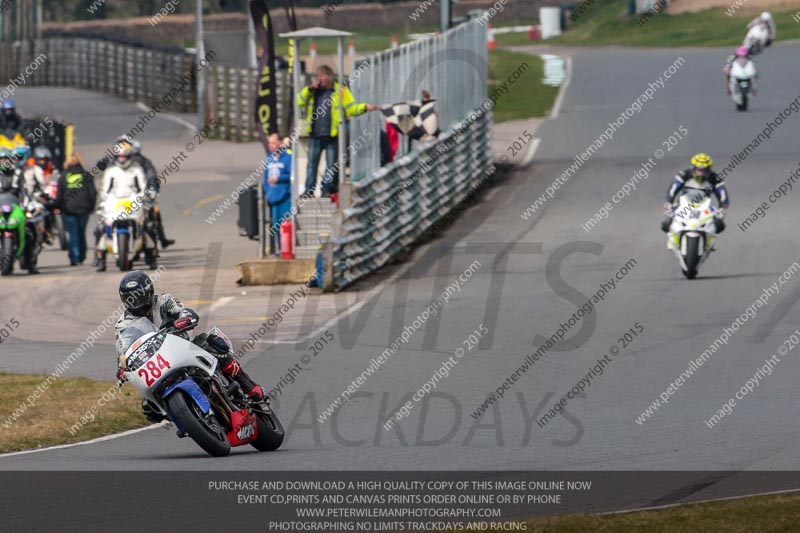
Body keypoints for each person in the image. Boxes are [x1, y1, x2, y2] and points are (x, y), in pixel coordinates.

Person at [114, 271, 266, 423]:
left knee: (212, 343)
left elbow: (185, 311)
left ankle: (249, 386)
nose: (136, 302)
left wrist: (184, 319)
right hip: (155, 364)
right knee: (149, 408)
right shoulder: (122, 324)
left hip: (182, 349)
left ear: (149, 291)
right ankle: (186, 418)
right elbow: (123, 351)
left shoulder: (164, 301)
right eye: (130, 298)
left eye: (139, 296)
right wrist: (122, 368)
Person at [297, 65, 377, 197]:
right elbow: (300, 101)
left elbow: (351, 109)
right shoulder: (313, 91)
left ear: (329, 77)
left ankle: (326, 190)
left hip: (332, 135)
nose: (319, 79)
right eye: (318, 76)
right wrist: (309, 89)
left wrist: (364, 107)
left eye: (322, 76)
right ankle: (309, 190)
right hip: (315, 135)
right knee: (311, 165)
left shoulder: (341, 91)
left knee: (331, 166)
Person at [97, 135, 174, 249]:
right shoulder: (112, 161)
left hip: (138, 195)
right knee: (102, 224)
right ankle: (99, 255)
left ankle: (154, 247)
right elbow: (102, 170)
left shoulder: (140, 162)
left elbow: (151, 174)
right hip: (117, 198)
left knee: (151, 219)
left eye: (126, 145)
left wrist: (152, 188)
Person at [96, 141, 154, 272]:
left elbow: (143, 187)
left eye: (124, 156)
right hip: (115, 201)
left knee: (148, 226)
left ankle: (152, 256)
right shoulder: (111, 171)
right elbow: (104, 189)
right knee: (100, 228)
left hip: (132, 200)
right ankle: (100, 259)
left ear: (129, 156)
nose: (122, 159)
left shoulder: (137, 170)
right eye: (119, 156)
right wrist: (104, 201)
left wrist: (143, 198)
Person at [661, 153, 729, 236]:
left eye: (703, 171)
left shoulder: (715, 178)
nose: (700, 173)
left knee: (720, 225)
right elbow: (672, 190)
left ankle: (709, 241)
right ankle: (673, 239)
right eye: (698, 170)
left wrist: (722, 209)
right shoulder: (684, 175)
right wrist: (668, 203)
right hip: (683, 204)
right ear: (693, 168)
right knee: (666, 223)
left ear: (708, 169)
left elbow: (723, 196)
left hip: (705, 205)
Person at [51, 153, 96, 266]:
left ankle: (74, 257)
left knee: (72, 233)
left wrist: (56, 206)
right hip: (84, 208)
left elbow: (59, 195)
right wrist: (91, 207)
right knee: (81, 232)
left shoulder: (63, 176)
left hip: (68, 209)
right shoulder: (86, 175)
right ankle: (82, 255)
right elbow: (93, 193)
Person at [264, 133, 292, 256]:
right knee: (276, 226)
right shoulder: (269, 159)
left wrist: (279, 178)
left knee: (286, 225)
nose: (271, 145)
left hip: (285, 197)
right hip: (273, 198)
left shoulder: (287, 157)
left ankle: (288, 250)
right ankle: (281, 250)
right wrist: (268, 192)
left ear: (280, 143)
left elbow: (291, 176)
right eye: (269, 143)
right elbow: (265, 179)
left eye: (274, 142)